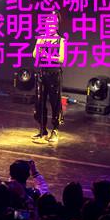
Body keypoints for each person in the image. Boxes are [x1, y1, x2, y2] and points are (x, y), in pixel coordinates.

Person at [31, 11, 65, 144]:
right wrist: (40, 47)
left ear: (57, 25)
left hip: (54, 74)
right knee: (40, 102)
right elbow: (34, 54)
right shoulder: (41, 38)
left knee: (55, 103)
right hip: (42, 73)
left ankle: (55, 130)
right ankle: (42, 129)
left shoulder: (61, 40)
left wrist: (47, 56)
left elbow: (61, 59)